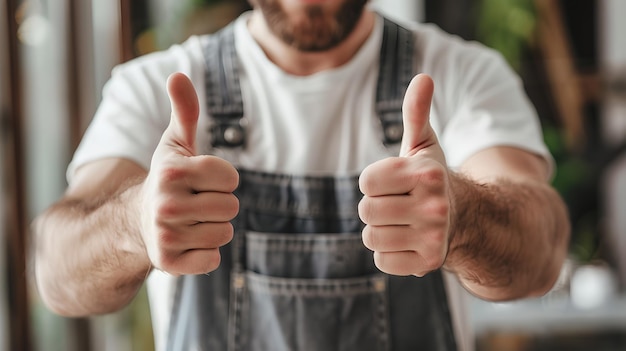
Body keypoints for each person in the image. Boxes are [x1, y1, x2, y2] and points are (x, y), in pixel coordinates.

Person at [33, 0, 570, 350]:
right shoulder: (154, 87)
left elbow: (542, 253)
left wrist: (465, 215)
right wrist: (133, 222)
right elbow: (57, 273)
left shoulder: (464, 75)